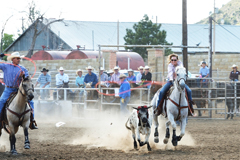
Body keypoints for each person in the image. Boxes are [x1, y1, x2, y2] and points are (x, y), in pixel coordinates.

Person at [0, 52, 37, 129]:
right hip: (8, 89)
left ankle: (32, 120)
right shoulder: (5, 66)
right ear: (13, 59)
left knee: (31, 102)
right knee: (1, 101)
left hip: (19, 90)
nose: (19, 60)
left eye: (19, 58)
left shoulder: (23, 69)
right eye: (17, 58)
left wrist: (23, 76)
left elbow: (26, 79)